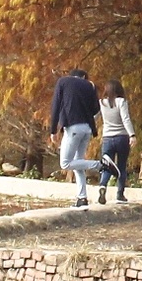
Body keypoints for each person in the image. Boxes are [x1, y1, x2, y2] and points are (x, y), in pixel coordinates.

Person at [49, 65, 102, 207]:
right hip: (87, 129)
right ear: (84, 77)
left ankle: (99, 165)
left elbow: (55, 106)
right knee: (78, 162)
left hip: (73, 128)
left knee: (65, 163)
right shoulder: (89, 86)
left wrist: (53, 130)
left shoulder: (63, 82)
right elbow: (97, 109)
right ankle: (82, 198)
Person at [97, 78, 135, 204]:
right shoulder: (121, 101)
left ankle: (103, 185)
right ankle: (120, 194)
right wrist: (132, 135)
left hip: (107, 138)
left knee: (107, 166)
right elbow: (126, 119)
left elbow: (95, 117)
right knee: (122, 166)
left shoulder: (101, 102)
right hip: (122, 137)